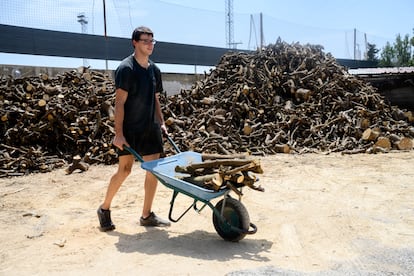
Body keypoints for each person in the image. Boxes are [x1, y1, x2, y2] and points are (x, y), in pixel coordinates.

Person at [97, 26, 170, 231]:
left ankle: (146, 215)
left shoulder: (155, 70)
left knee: (153, 171)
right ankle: (104, 208)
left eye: (152, 41)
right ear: (135, 43)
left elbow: (155, 98)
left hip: (150, 127)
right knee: (125, 170)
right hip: (130, 129)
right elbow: (119, 103)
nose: (149, 44)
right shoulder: (126, 68)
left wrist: (161, 122)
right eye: (145, 41)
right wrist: (118, 134)